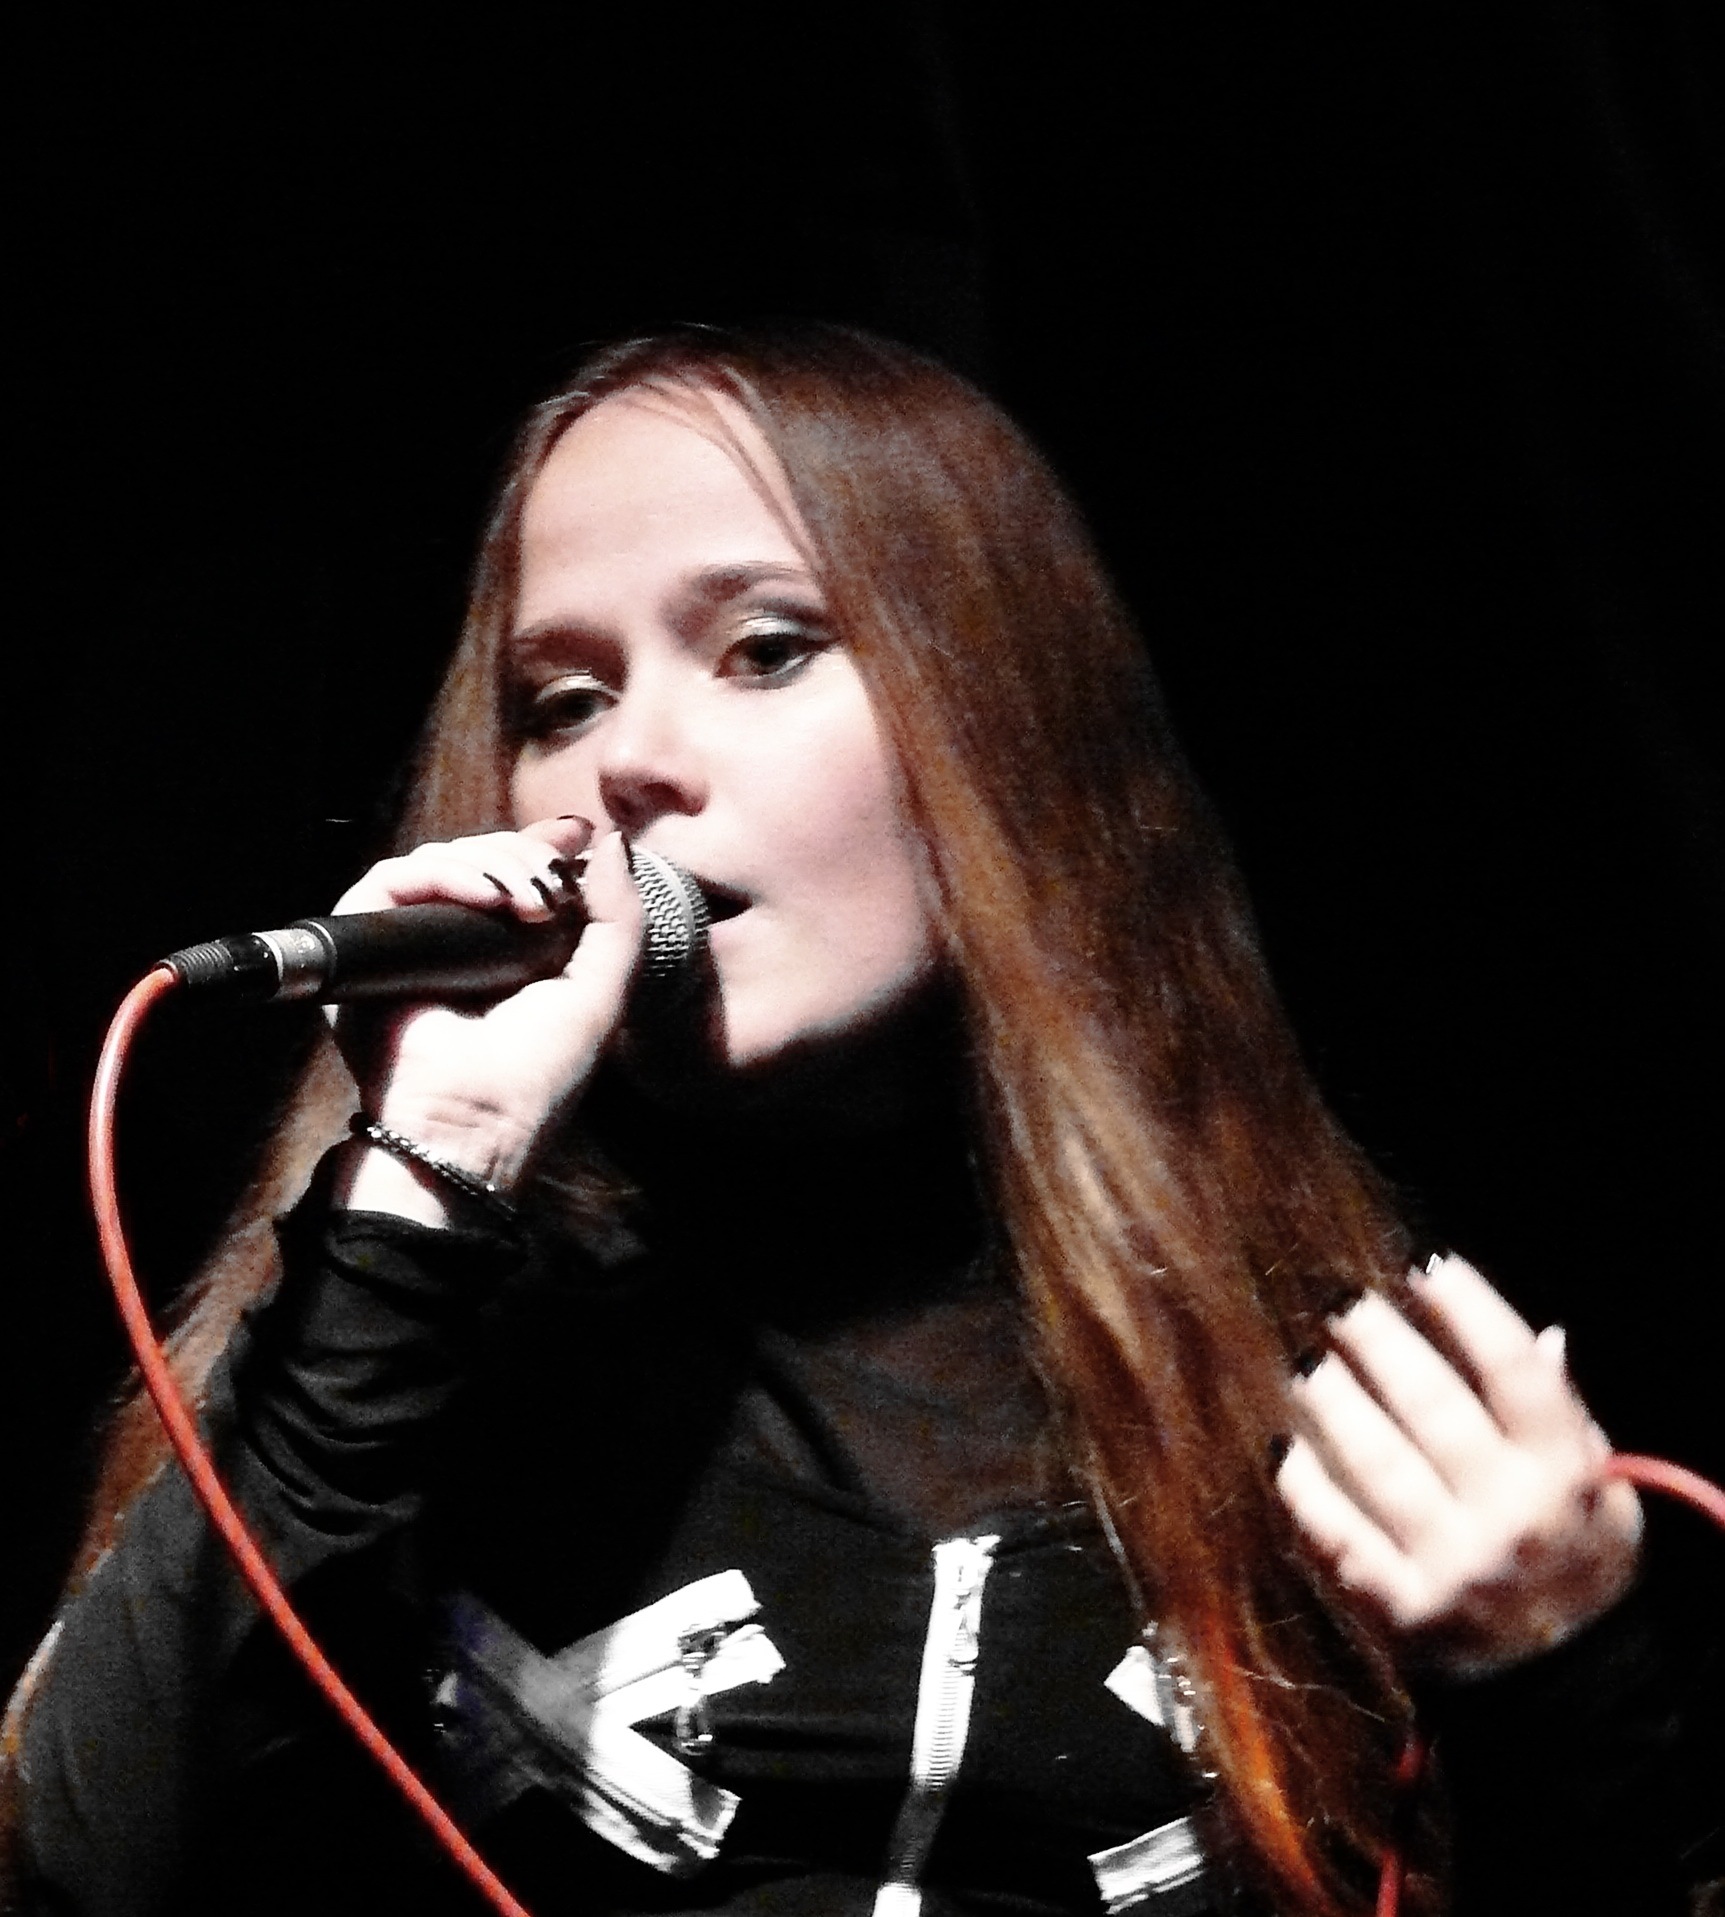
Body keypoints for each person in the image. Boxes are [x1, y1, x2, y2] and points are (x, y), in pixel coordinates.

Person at [0, 325, 1685, 1916]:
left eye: (765, 649)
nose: (631, 763)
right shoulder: (407, 1346)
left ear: (1002, 733)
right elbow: (88, 1871)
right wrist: (420, 1178)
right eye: (561, 701)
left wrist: (1558, 1680)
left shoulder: (1316, 1406)